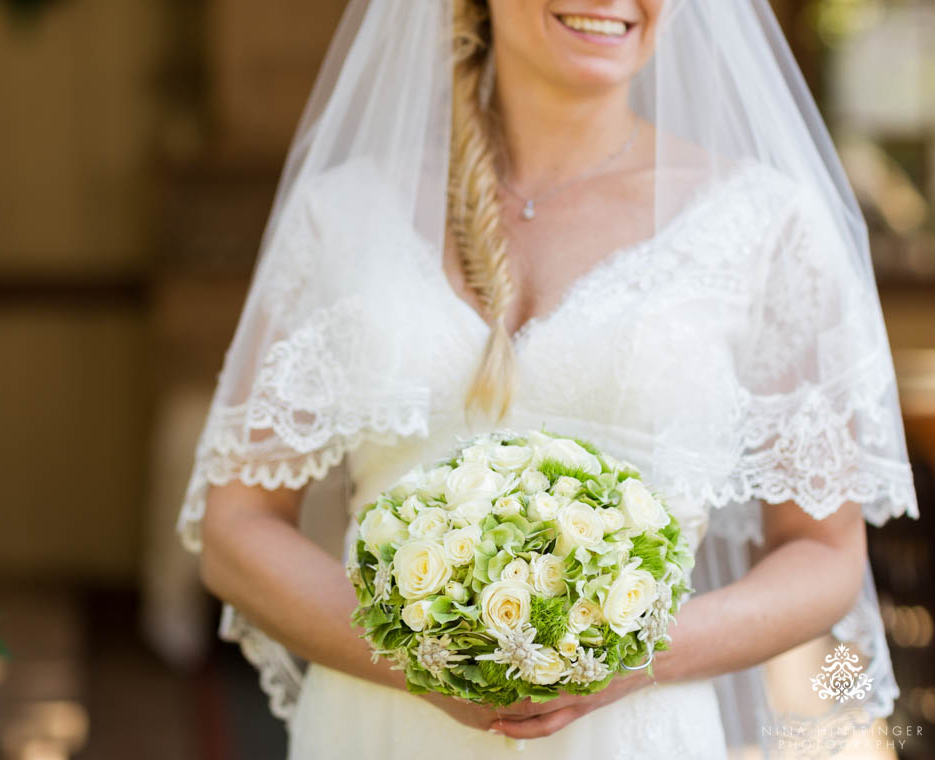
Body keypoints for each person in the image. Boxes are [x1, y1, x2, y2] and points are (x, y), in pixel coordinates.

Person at [176, 1, 919, 757]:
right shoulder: (345, 213)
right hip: (376, 732)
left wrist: (630, 660)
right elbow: (239, 528)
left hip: (633, 736)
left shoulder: (768, 226)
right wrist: (417, 658)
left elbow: (824, 553)